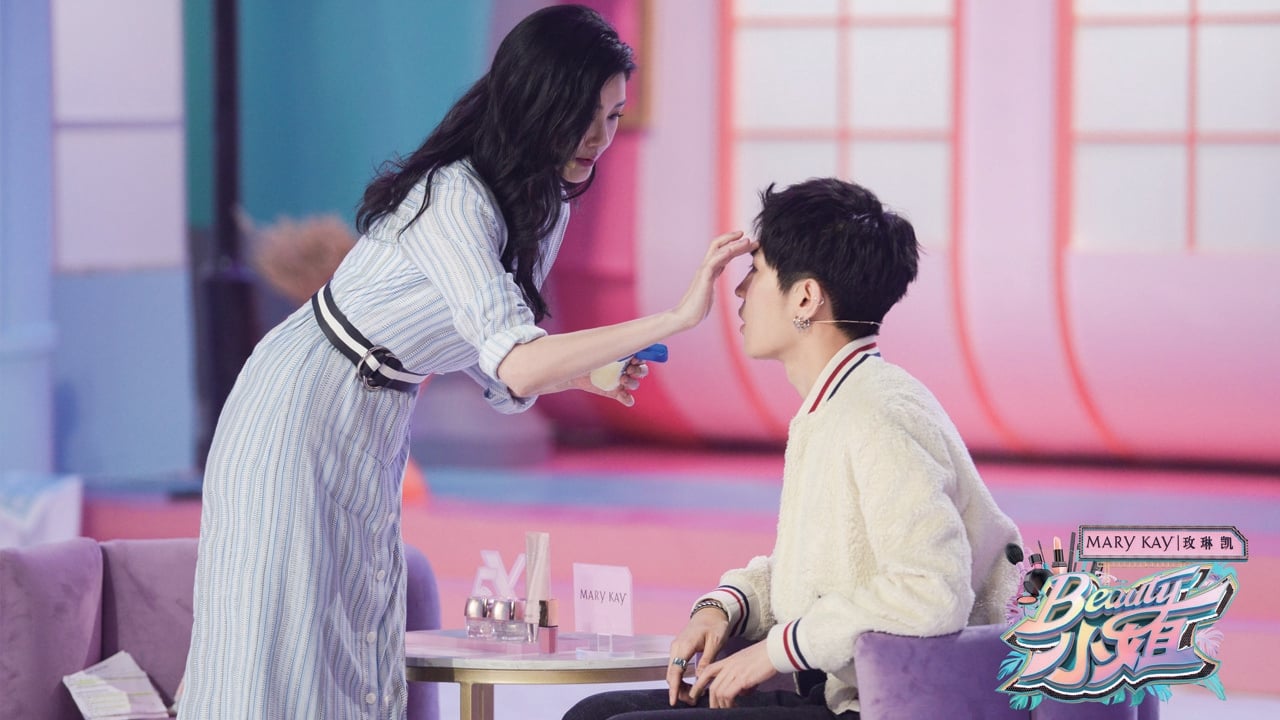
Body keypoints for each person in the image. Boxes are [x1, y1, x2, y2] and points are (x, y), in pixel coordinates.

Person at [178, 6, 755, 719]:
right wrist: (674, 317)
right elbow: (516, 364)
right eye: (585, 115)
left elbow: (500, 357)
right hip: (300, 399)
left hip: (374, 405)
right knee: (278, 633)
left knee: (348, 629)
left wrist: (585, 373)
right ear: (537, 100)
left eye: (613, 117)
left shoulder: (541, 202)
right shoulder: (453, 195)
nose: (599, 138)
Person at [563, 178, 1022, 720]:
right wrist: (724, 607)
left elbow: (930, 591)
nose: (739, 291)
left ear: (804, 297)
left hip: (888, 705)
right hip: (840, 691)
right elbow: (827, 571)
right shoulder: (840, 401)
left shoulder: (876, 412)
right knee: (593, 714)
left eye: (755, 272)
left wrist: (773, 652)